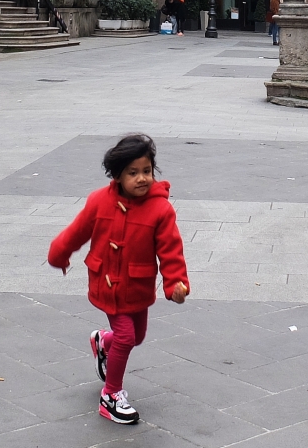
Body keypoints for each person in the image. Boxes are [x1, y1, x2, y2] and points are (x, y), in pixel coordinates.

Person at [47, 135, 189, 425]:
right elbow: (77, 232)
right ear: (118, 175)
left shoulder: (161, 210)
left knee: (137, 337)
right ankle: (110, 395)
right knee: (126, 337)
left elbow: (170, 249)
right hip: (108, 283)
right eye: (133, 173)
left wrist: (175, 281)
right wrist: (59, 254)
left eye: (147, 171)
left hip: (138, 285)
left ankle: (102, 342)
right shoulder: (99, 201)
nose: (142, 179)